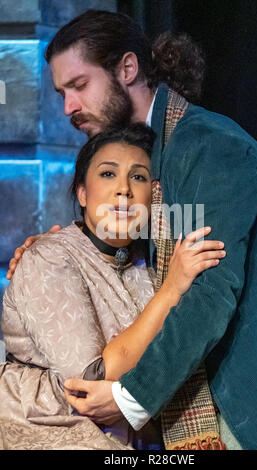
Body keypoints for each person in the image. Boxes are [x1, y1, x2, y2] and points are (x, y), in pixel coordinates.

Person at [7, 10, 257, 450]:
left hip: (249, 403)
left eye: (79, 86)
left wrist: (131, 397)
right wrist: (60, 246)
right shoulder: (154, 153)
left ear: (127, 69)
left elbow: (209, 288)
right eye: (62, 92)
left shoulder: (208, 145)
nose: (68, 108)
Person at [0, 123, 225, 450]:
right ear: (82, 192)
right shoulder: (48, 257)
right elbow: (90, 379)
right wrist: (172, 290)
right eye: (107, 174)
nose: (124, 189)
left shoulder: (151, 261)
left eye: (138, 177)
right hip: (42, 424)